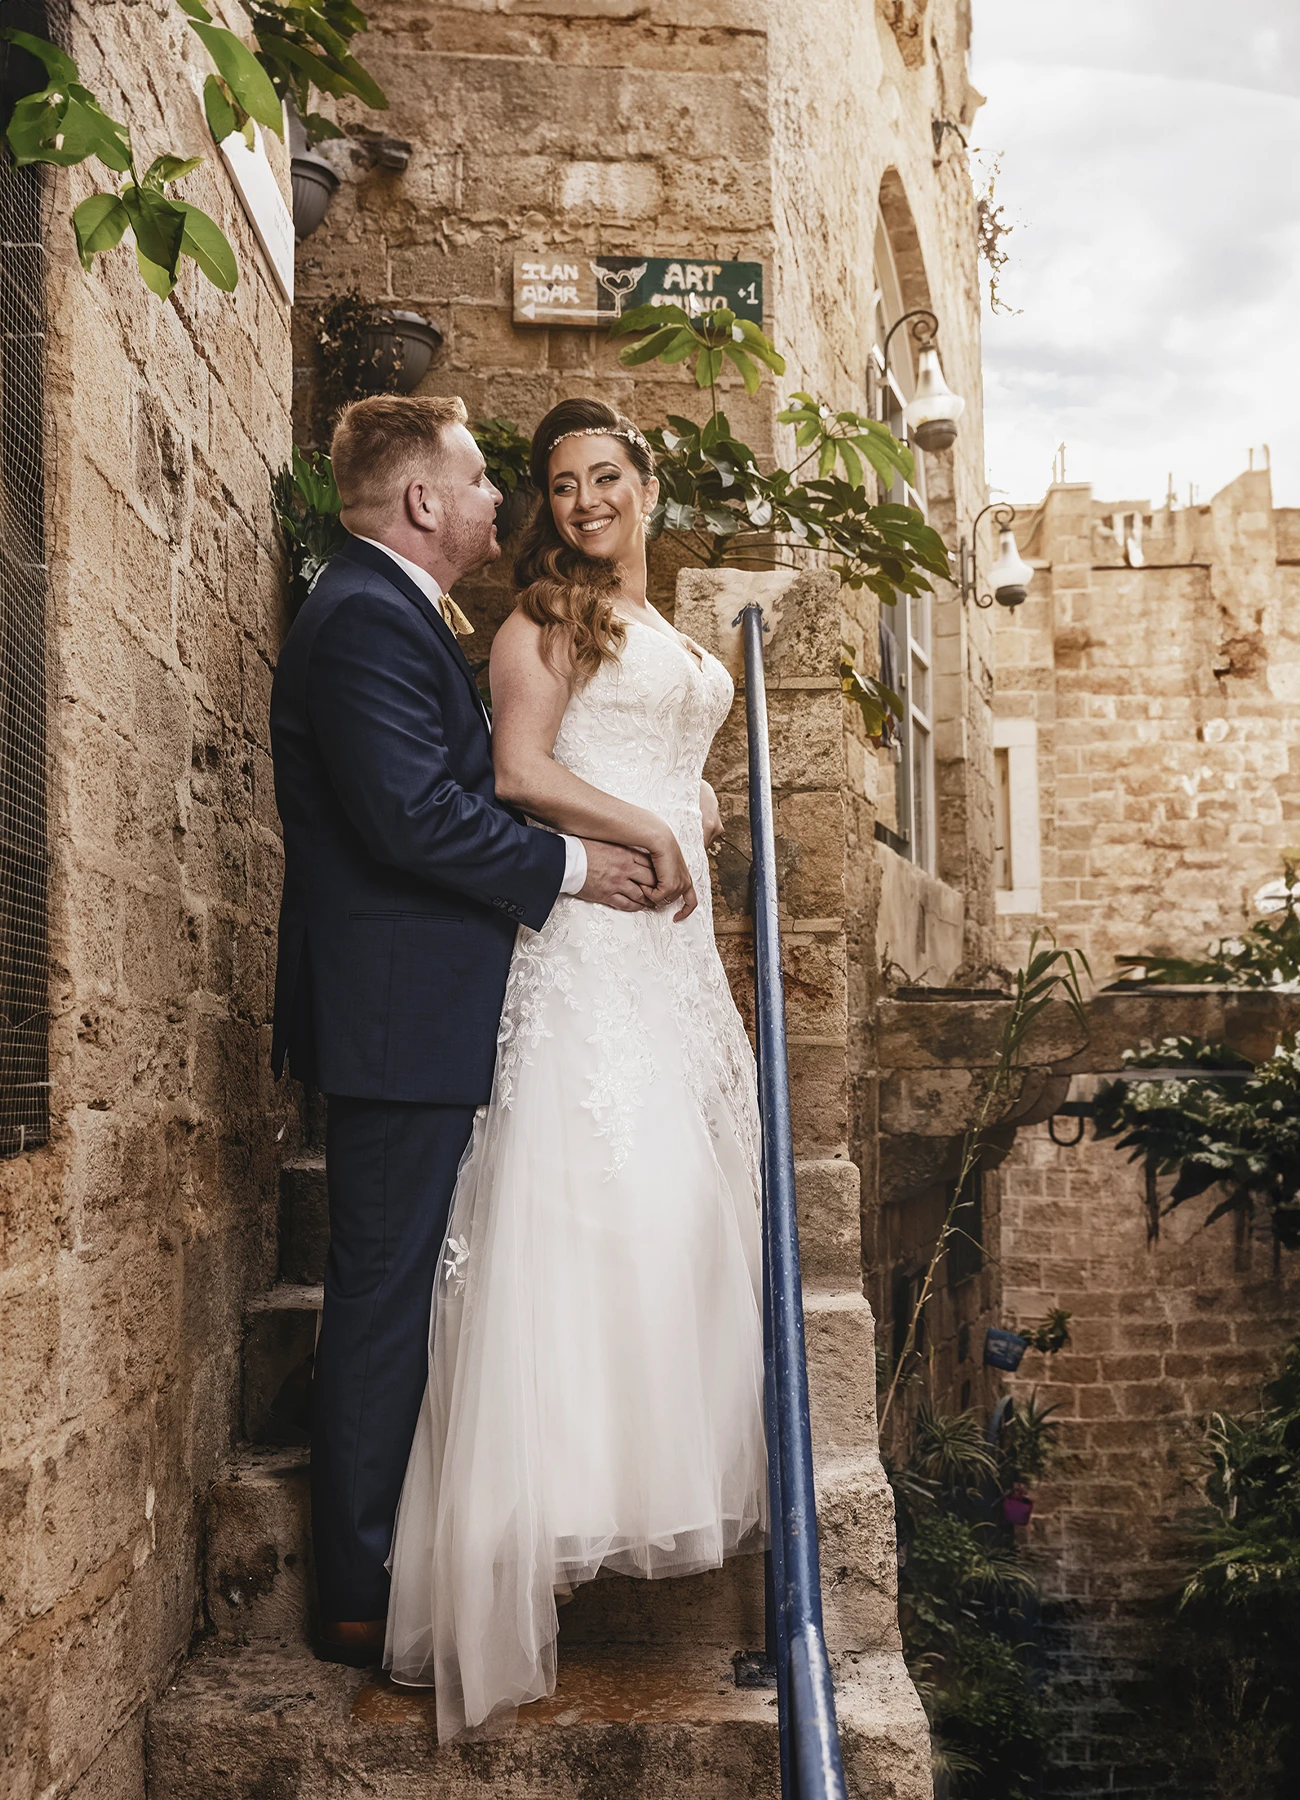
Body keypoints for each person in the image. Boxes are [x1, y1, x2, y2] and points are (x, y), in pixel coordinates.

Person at [269, 394, 673, 1667]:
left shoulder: (387, 611)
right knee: (384, 1299)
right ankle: (358, 1591)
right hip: (397, 1018)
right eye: (485, 479)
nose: (504, 498)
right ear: (425, 503)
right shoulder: (360, 623)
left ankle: (387, 1559)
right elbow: (411, 820)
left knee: (399, 1290)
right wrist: (570, 868)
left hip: (422, 1012)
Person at [384, 396, 767, 1741]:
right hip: (595, 945)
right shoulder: (543, 619)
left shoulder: (653, 627)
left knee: (671, 1214)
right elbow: (521, 769)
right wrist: (650, 826)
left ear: (648, 484)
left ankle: (640, 1473)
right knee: (591, 1204)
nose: (586, 499)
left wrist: (696, 798)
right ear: (543, 504)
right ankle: (544, 1507)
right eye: (560, 483)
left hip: (669, 967)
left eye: (608, 475)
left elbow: (658, 741)